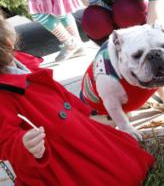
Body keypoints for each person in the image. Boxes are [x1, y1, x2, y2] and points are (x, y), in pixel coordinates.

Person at [0, 12, 154, 186]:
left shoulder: (23, 63)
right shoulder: (3, 95)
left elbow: (60, 93)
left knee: (123, 159)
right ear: (8, 42)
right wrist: (22, 145)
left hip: (78, 131)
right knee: (109, 177)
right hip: (60, 157)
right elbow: (4, 140)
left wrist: (87, 113)